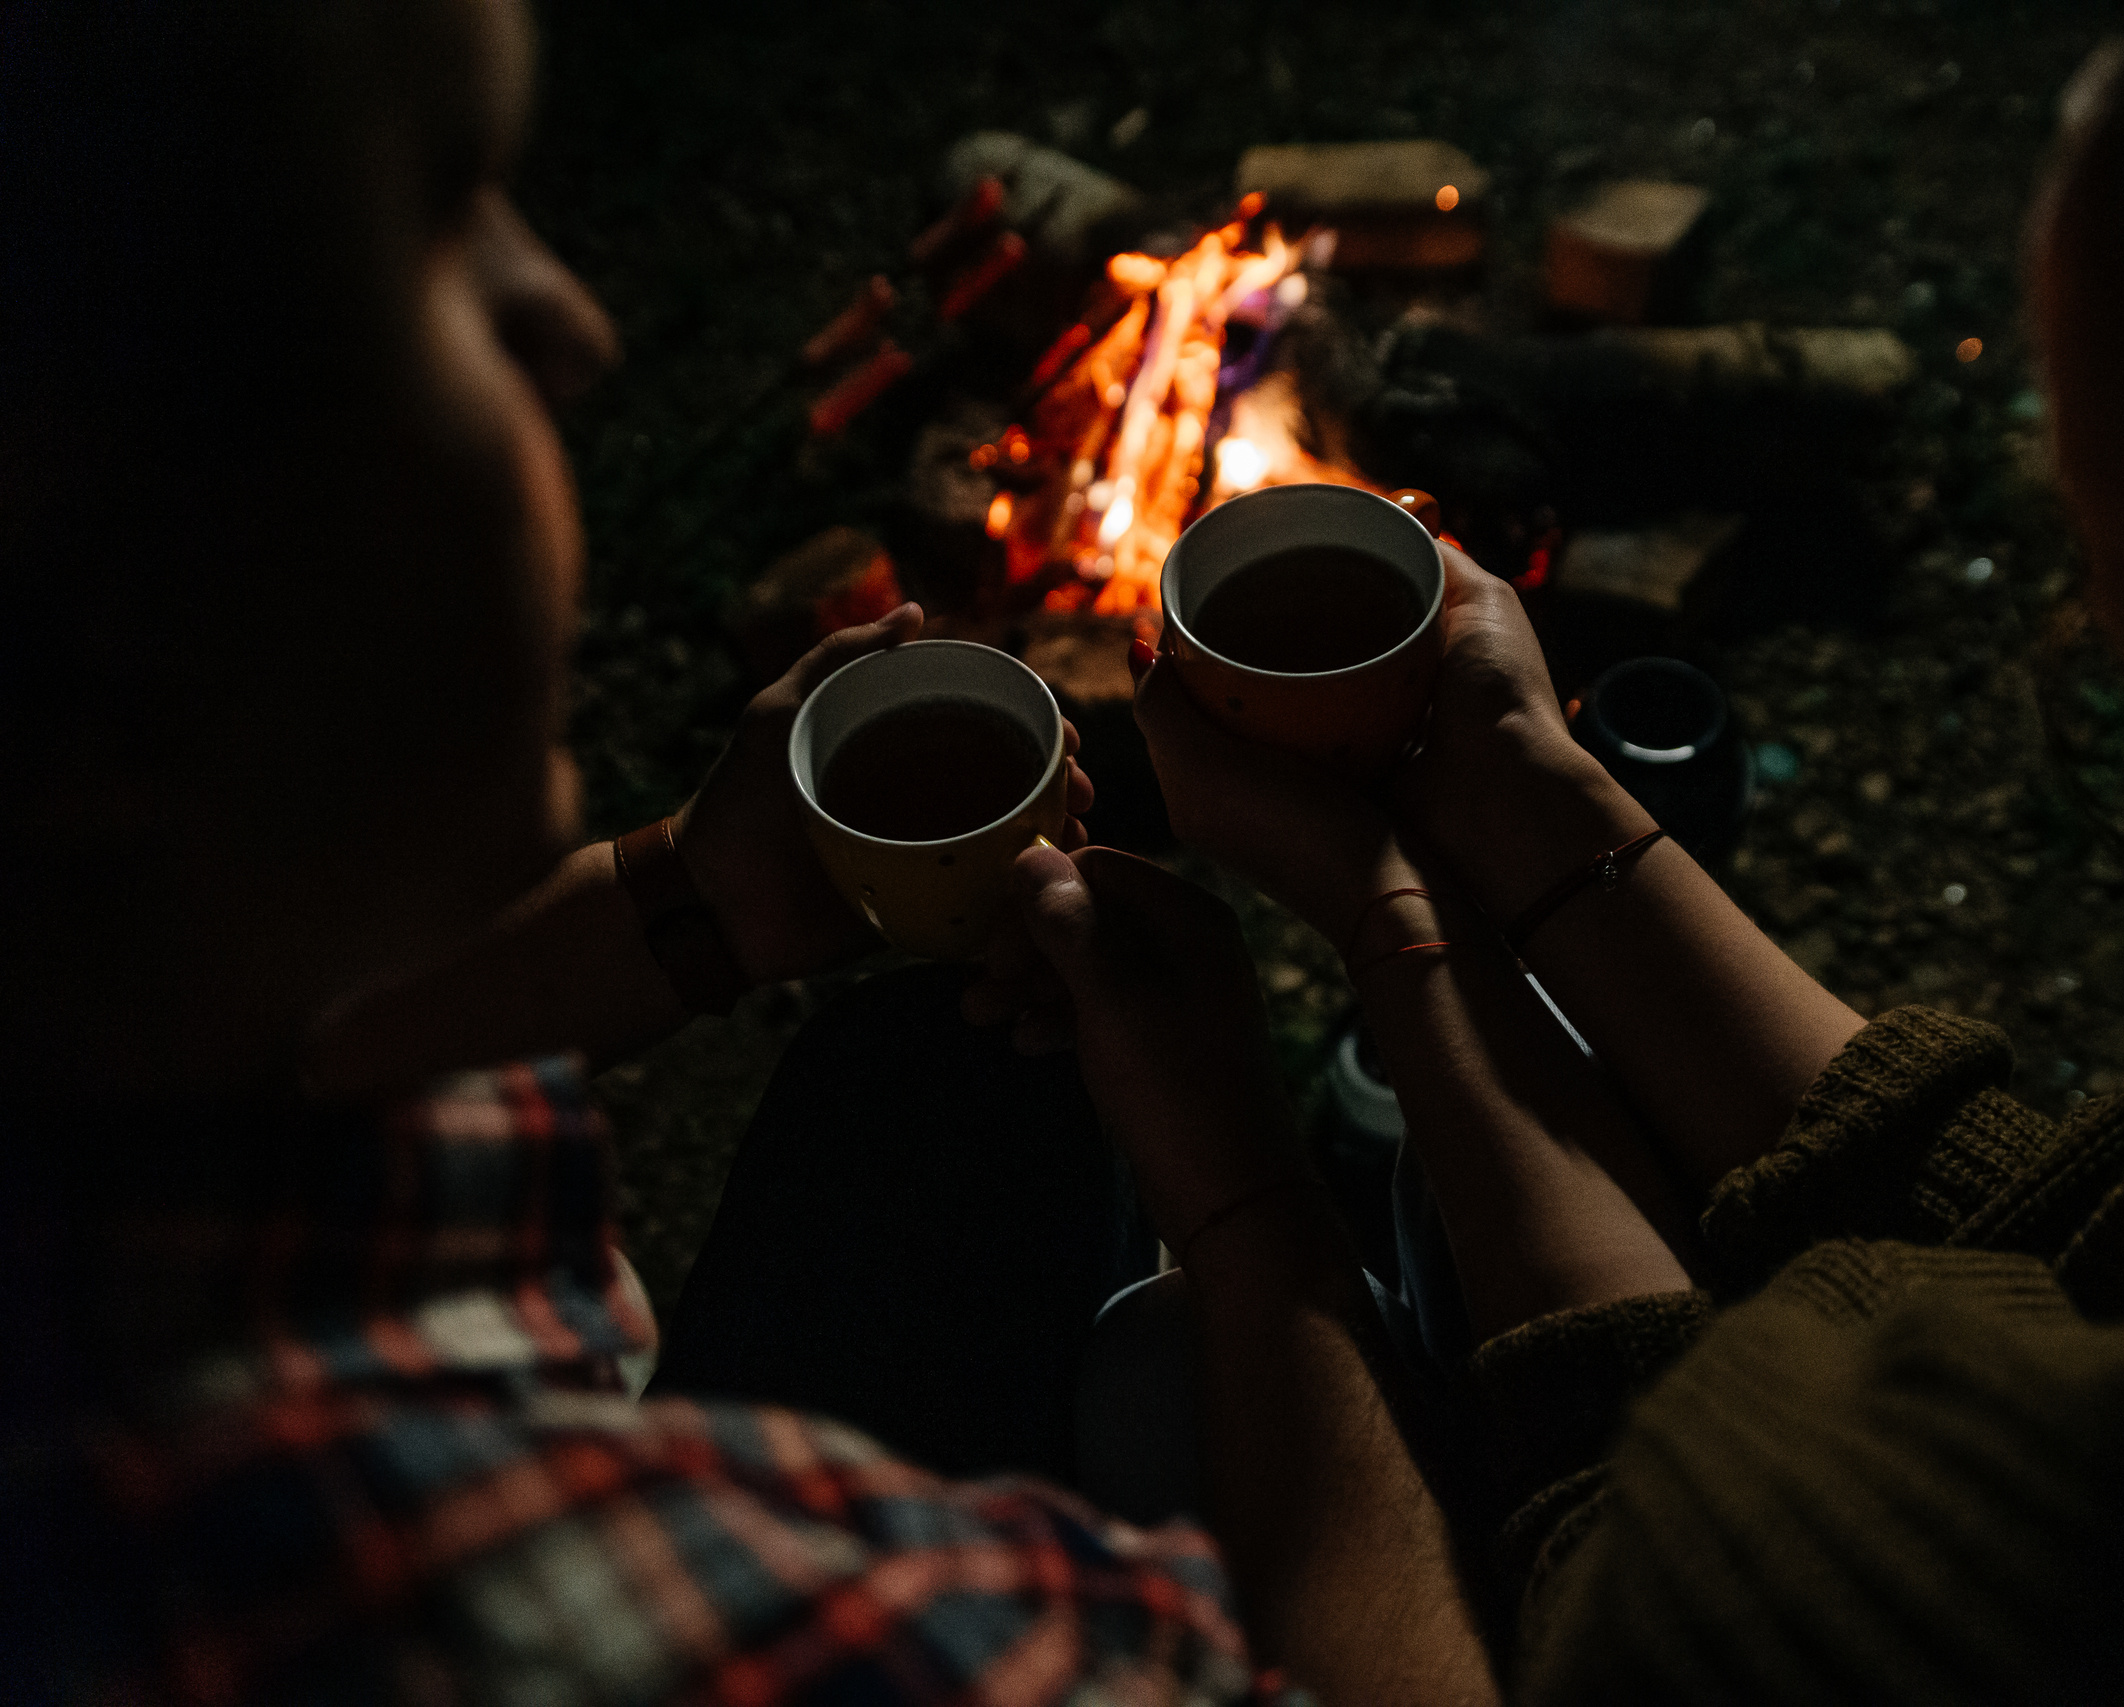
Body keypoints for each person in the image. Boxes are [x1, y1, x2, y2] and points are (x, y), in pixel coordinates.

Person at [982, 0, 2124, 1697]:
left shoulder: (1923, 1587)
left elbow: (1630, 1523)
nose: (2081, 87)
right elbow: (2032, 1244)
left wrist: (1242, 1178)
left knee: (1150, 1373)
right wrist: (1518, 794)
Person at [1, 3, 1403, 1702]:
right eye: (438, 226)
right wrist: (1263, 1207)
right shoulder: (703, 1637)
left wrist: (694, 907)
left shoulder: (131, 1023)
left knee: (947, 1066)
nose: (574, 323)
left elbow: (310, 1057)